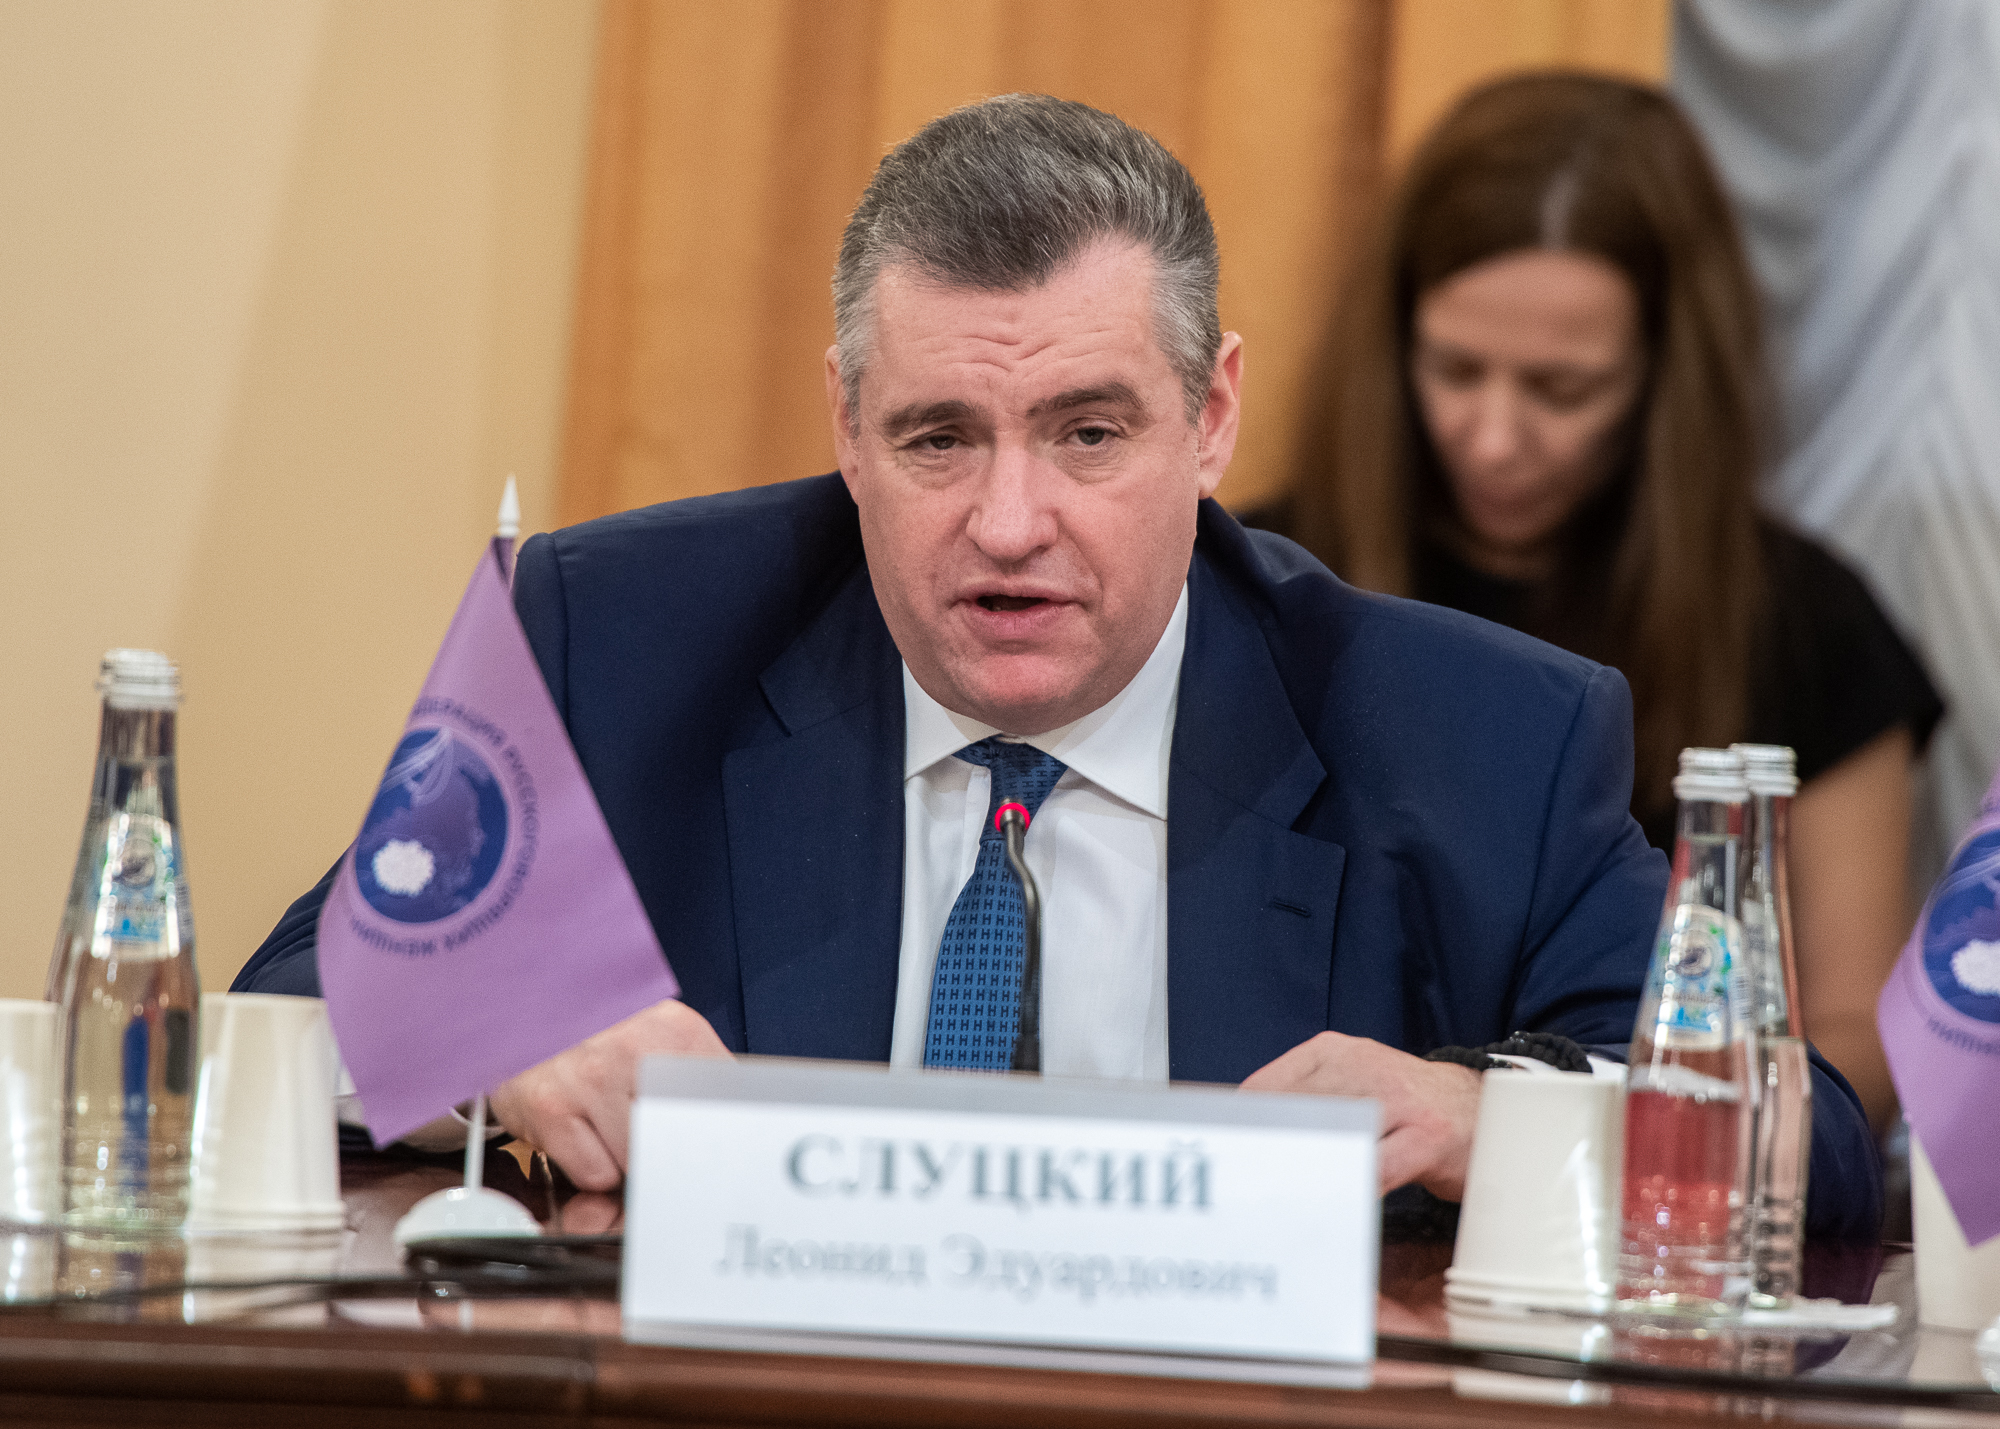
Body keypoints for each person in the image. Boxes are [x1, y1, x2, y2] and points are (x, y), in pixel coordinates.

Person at [236, 94, 1880, 1235]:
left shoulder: (1478, 737)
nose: (1009, 523)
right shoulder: (617, 639)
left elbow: (1812, 1134)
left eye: (1090, 433)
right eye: (938, 437)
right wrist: (499, 1036)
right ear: (846, 425)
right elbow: (279, 1010)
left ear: (1212, 418)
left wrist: (1480, 1114)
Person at [1273, 74, 1941, 1136]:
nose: (1494, 438)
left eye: (1561, 389)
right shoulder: (1263, 578)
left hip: (1645, 1198)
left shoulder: (1803, 621)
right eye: (1455, 368)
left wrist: (1575, 1128)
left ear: (1666, 378)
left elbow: (1855, 1036)